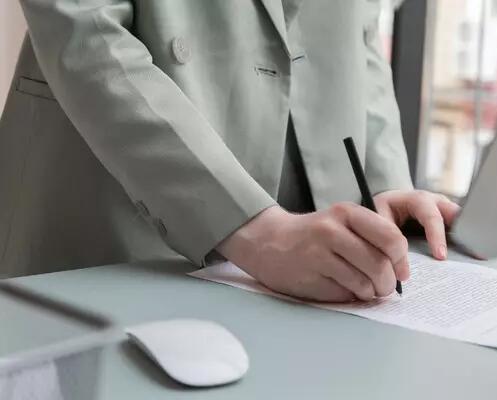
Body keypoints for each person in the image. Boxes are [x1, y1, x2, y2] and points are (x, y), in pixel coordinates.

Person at [0, 0, 459, 301]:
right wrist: (259, 232)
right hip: (117, 225)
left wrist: (383, 185)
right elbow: (86, 32)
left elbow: (360, 28)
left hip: (313, 251)